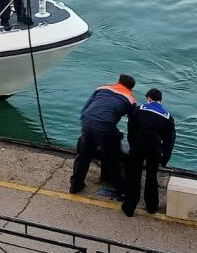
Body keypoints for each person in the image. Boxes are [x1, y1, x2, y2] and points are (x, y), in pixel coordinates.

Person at [69, 74, 138, 195]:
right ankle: (121, 189)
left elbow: (85, 108)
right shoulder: (130, 99)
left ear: (118, 82)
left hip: (87, 121)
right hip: (105, 127)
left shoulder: (101, 88)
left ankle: (76, 185)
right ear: (131, 88)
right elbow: (133, 123)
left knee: (83, 156)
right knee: (113, 159)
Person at [121, 89, 176, 217]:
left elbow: (131, 128)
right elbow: (169, 141)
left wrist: (132, 144)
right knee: (152, 176)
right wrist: (165, 159)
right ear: (160, 100)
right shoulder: (168, 117)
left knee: (134, 176)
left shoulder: (138, 109)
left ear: (149, 98)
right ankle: (151, 206)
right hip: (154, 150)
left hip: (138, 146)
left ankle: (129, 207)